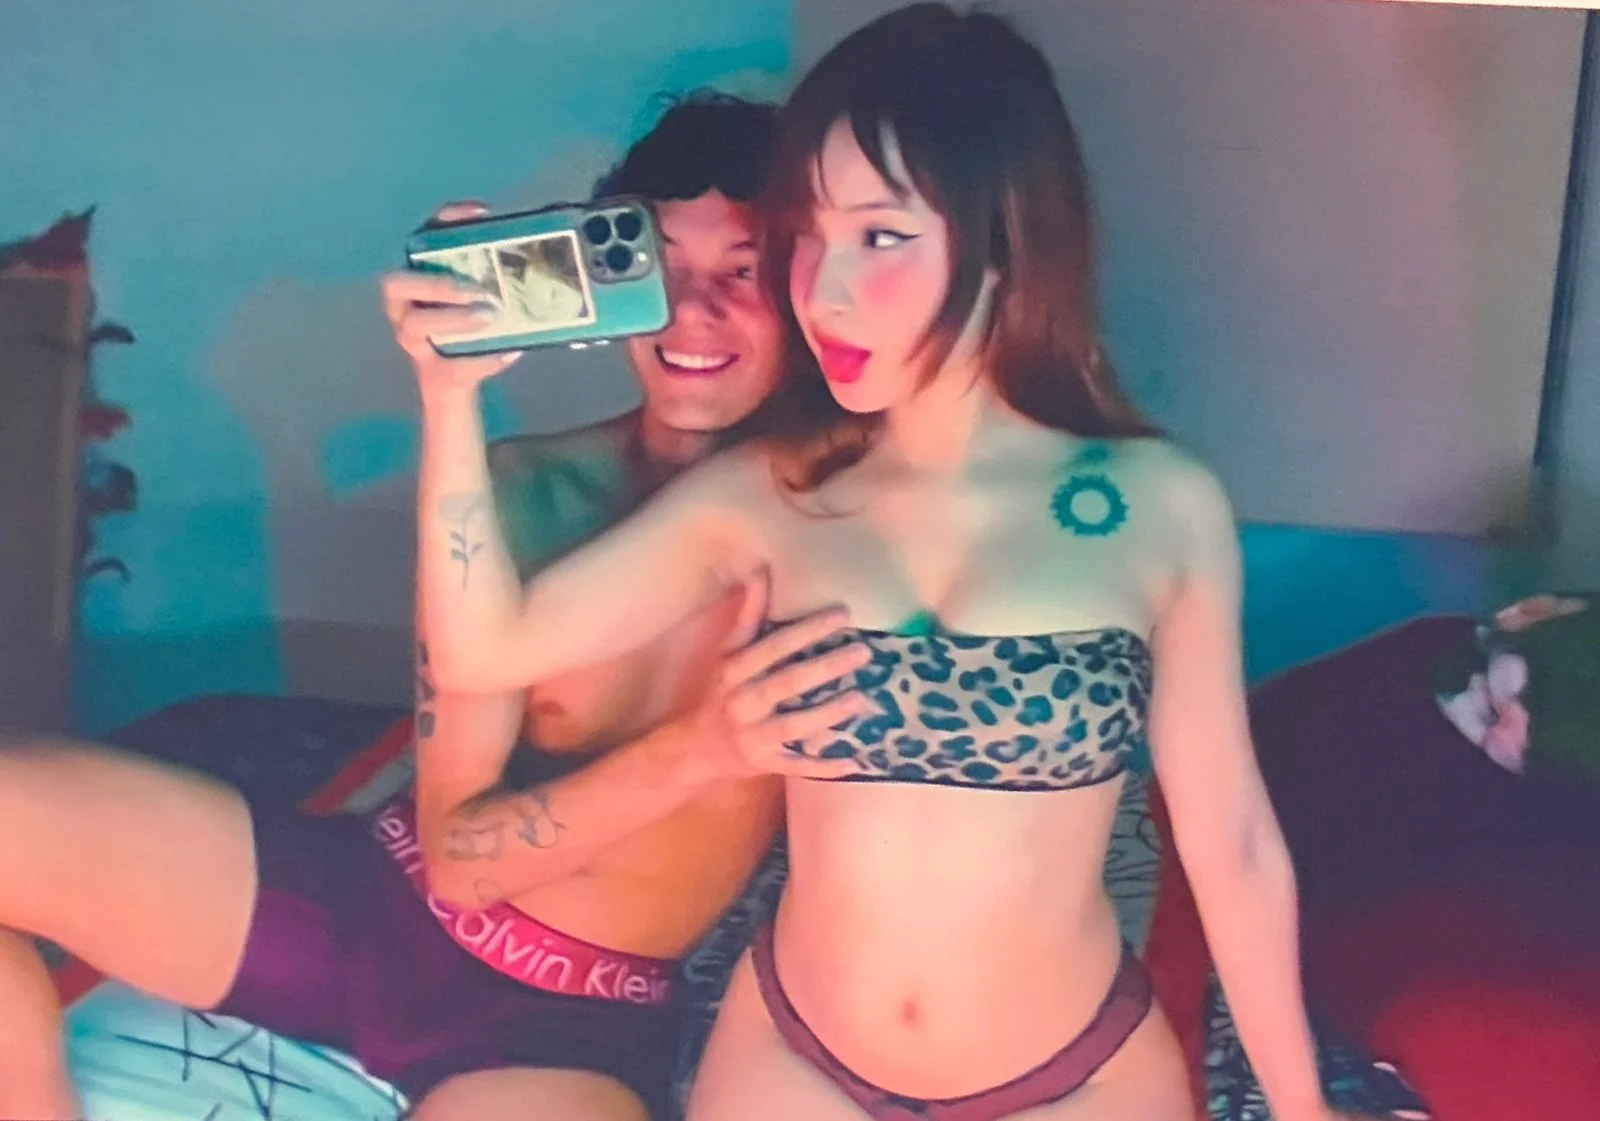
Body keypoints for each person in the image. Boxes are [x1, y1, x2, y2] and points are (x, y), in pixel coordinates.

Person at [414, 7, 1399, 1121]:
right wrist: (449, 400)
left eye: (880, 238)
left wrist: (1301, 1107)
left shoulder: (1160, 505)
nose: (823, 291)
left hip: (1073, 1074)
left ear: (1004, 239)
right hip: (795, 1060)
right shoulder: (771, 493)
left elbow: (1232, 841)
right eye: (806, 237)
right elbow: (484, 648)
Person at [0, 91, 834, 1121]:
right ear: (594, 280)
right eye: (653, 264)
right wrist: (449, 394)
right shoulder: (527, 483)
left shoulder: (838, 524)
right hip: (366, 901)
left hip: (559, 1015)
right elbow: (456, 857)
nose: (693, 309)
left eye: (744, 272)